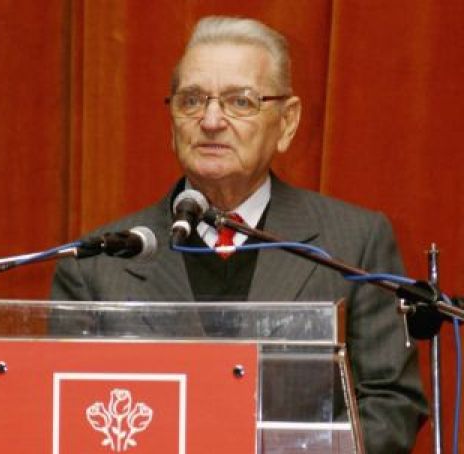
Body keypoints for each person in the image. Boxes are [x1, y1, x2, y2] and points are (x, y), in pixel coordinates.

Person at [52, 16, 427, 452]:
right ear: (172, 120)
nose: (211, 120)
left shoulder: (353, 242)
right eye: (192, 100)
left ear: (287, 122)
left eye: (240, 102)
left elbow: (391, 403)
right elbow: (68, 413)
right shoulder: (98, 263)